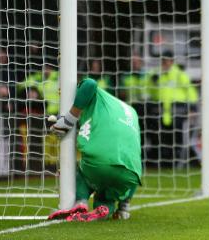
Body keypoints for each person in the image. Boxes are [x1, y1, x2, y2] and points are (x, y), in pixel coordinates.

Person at [46, 78, 142, 222]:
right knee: (105, 197)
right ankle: (112, 210)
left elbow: (89, 84)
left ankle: (81, 202)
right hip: (130, 176)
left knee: (76, 169)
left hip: (98, 165)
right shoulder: (130, 111)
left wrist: (68, 120)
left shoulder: (96, 94)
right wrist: (124, 205)